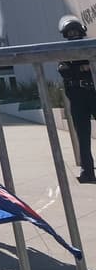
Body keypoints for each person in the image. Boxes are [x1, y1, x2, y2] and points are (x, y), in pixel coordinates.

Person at [57, 15, 96, 184]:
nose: (73, 33)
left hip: (93, 92)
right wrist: (82, 68)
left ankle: (87, 171)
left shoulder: (90, 46)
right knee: (83, 135)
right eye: (70, 31)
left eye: (75, 30)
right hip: (77, 97)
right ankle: (87, 170)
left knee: (83, 135)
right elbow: (64, 70)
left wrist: (80, 68)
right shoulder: (64, 51)